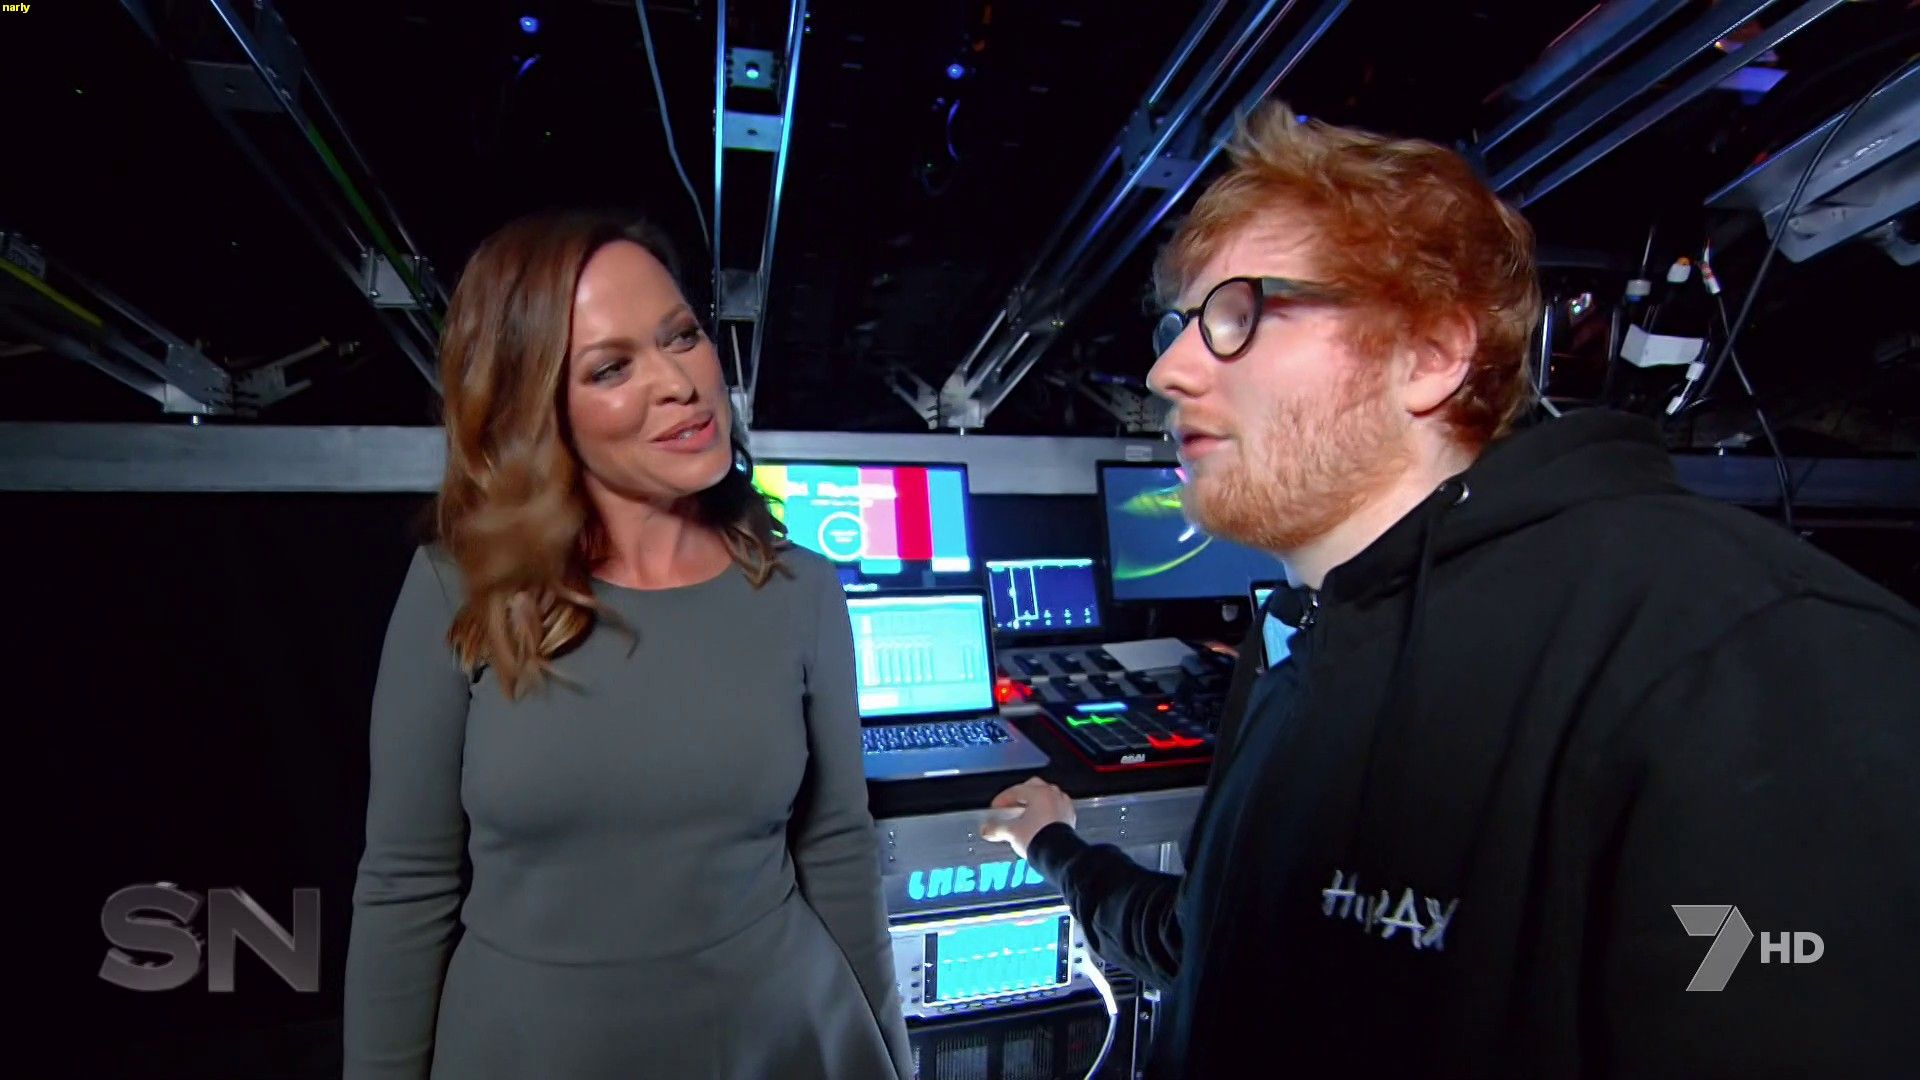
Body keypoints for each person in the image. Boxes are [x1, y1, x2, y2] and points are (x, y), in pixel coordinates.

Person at [982, 103, 1920, 1077]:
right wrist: (1057, 848)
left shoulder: (1747, 656)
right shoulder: (1303, 642)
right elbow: (1211, 947)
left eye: (1238, 314)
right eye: (1179, 326)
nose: (1165, 369)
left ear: (1430, 353)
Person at [342, 211, 912, 1080]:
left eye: (681, 337)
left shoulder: (803, 591)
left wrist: (891, 1060)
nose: (680, 383)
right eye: (612, 368)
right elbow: (405, 885)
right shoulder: (457, 592)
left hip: (783, 1041)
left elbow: (838, 849)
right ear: (539, 408)